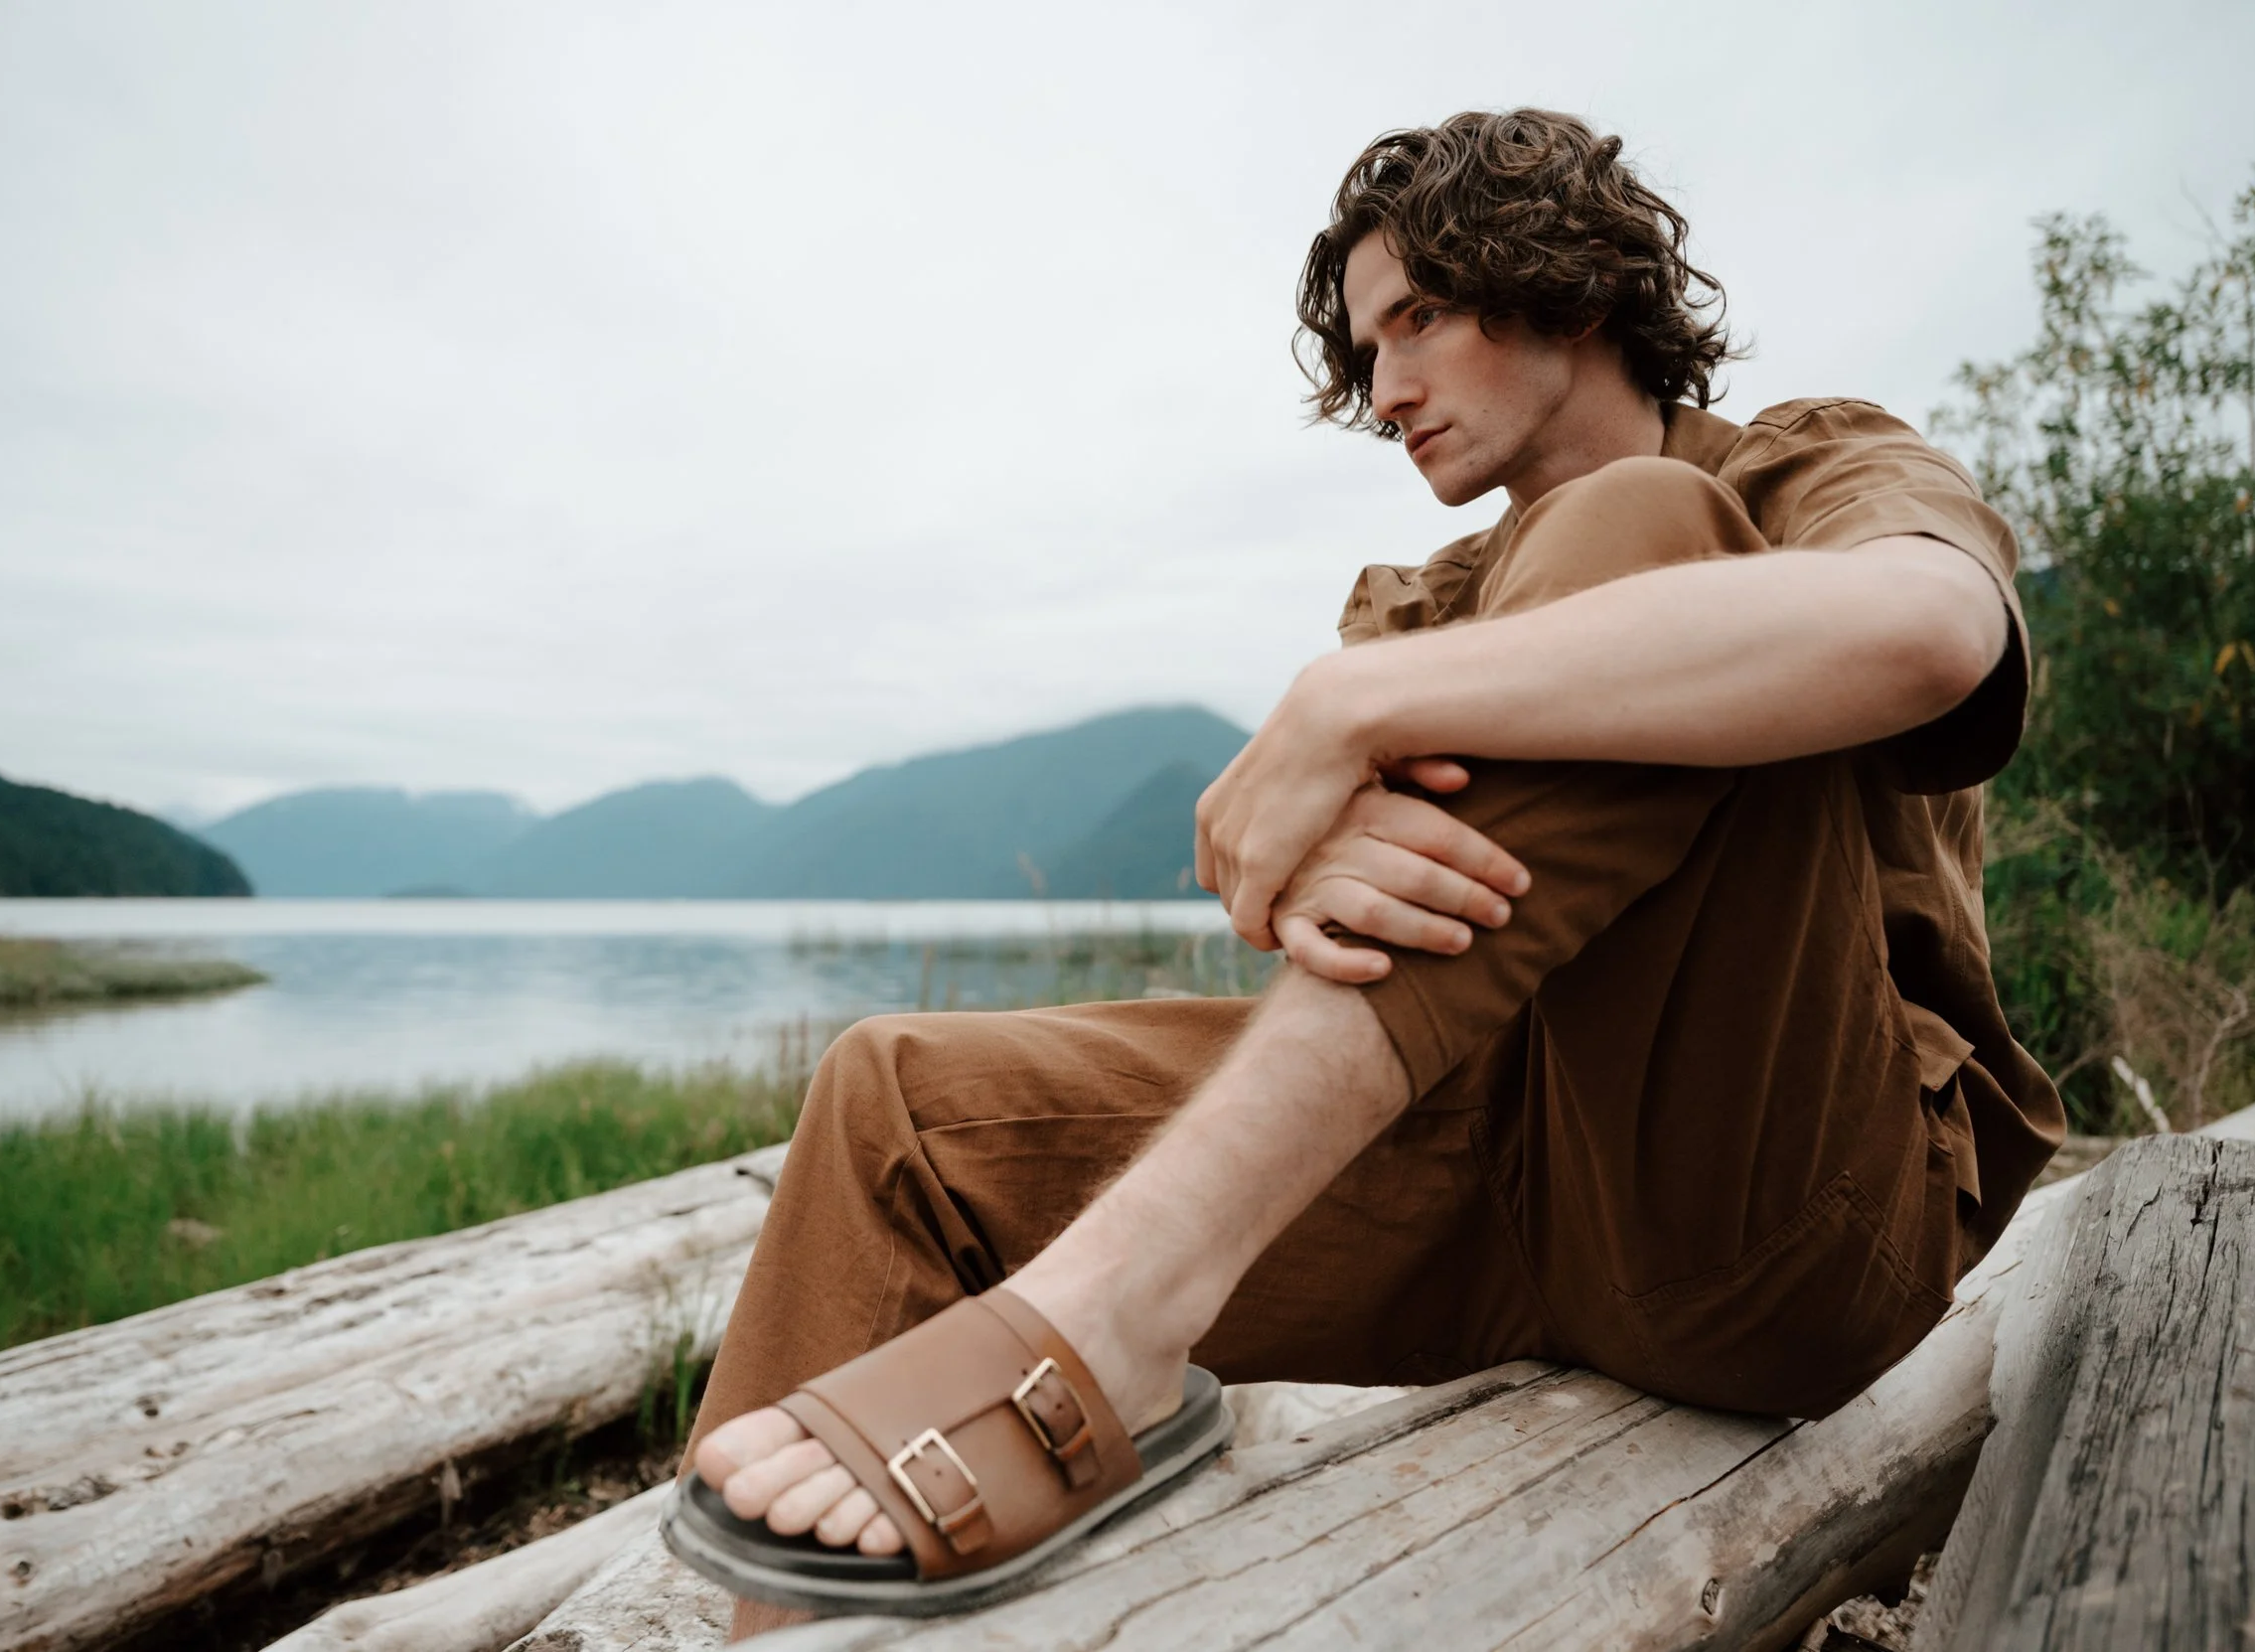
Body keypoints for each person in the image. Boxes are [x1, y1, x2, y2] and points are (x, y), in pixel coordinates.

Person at [665, 107, 2064, 1638]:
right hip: (1490, 1173)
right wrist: (1304, 843)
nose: (1385, 388)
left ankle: (1123, 1304)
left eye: (1421, 318)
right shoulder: (1425, 602)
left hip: (1779, 1212)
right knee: (898, 1103)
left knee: (1637, 528)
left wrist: (1355, 705)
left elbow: (1934, 634)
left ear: (1573, 290)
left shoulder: (1809, 464)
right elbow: (1331, 923)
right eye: (1364, 347)